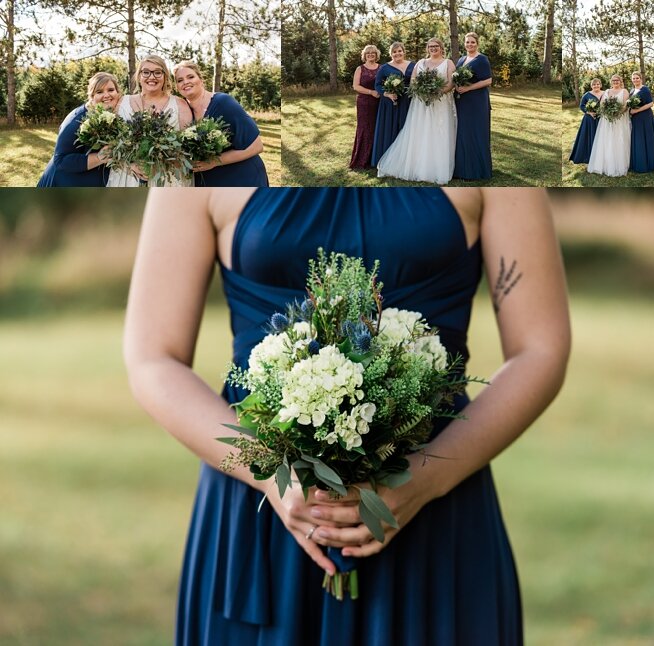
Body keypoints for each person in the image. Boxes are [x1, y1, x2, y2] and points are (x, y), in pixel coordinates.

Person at [124, 187, 571, 645]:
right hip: (264, 511)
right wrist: (264, 472)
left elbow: (540, 348)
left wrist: (426, 479)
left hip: (436, 505)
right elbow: (153, 357)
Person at [174, 61, 269, 187]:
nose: (185, 82)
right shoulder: (183, 112)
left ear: (201, 80)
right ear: (177, 87)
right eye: (180, 80)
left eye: (190, 77)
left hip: (243, 179)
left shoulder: (223, 103)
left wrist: (213, 162)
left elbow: (257, 146)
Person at [377, 38, 456, 184]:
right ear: (427, 48)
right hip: (420, 104)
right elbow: (413, 80)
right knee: (420, 132)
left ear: (441, 47)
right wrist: (421, 91)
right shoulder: (420, 63)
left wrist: (438, 92)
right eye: (430, 46)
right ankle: (417, 166)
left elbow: (451, 83)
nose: (433, 48)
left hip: (440, 102)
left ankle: (436, 168)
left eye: (436, 46)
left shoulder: (448, 63)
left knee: (439, 132)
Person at [107, 55, 193, 187]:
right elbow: (111, 144)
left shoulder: (180, 105)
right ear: (139, 76)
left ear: (165, 76)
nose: (151, 77)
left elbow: (187, 150)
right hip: (127, 178)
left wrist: (159, 163)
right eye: (146, 72)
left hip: (166, 180)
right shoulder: (122, 102)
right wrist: (130, 165)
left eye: (158, 72)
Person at [37, 72, 121, 187]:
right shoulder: (76, 120)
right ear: (91, 96)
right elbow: (60, 160)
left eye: (111, 90)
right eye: (99, 92)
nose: (106, 95)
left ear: (118, 92)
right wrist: (99, 157)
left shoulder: (112, 116)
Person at [453, 33, 492, 181]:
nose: (470, 44)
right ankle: (462, 169)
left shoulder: (482, 59)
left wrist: (469, 88)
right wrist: (457, 86)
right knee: (463, 133)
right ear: (464, 44)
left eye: (473, 42)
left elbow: (488, 80)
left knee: (475, 133)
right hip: (462, 100)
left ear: (477, 44)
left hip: (476, 101)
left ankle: (476, 170)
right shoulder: (462, 59)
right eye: (467, 42)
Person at [370, 42, 415, 167]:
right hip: (390, 102)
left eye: (399, 51)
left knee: (407, 127)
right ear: (391, 54)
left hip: (409, 100)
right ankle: (388, 160)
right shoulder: (384, 68)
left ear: (403, 52)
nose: (397, 54)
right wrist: (387, 94)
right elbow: (377, 85)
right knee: (391, 127)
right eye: (394, 52)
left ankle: (406, 160)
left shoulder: (413, 65)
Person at [587, 74, 630, 177]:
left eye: (617, 80)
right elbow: (602, 104)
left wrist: (617, 113)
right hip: (606, 120)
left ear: (620, 81)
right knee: (606, 140)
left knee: (618, 140)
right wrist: (607, 112)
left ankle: (619, 164)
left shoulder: (624, 91)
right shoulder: (606, 91)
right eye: (613, 80)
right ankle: (605, 164)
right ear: (611, 82)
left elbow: (625, 106)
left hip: (620, 119)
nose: (615, 82)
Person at [349, 45, 381, 169]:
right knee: (365, 128)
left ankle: (375, 159)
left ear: (376, 54)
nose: (371, 55)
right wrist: (371, 92)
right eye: (368, 53)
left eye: (373, 53)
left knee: (377, 128)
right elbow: (356, 86)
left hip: (379, 102)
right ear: (364, 55)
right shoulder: (360, 69)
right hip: (364, 102)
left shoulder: (381, 68)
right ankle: (362, 159)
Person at [569, 78, 603, 165]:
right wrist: (589, 112)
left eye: (598, 84)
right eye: (594, 84)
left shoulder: (605, 93)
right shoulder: (587, 95)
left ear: (600, 85)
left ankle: (601, 156)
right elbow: (581, 106)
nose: (596, 86)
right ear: (591, 86)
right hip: (590, 119)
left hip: (602, 119)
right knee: (590, 136)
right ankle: (589, 156)